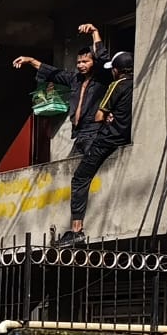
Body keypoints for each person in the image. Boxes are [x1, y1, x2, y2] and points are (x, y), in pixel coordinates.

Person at [62, 51, 135, 247]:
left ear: (117, 70)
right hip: (124, 136)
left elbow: (99, 116)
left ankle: (76, 229)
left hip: (107, 139)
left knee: (80, 177)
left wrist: (108, 115)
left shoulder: (116, 85)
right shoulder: (136, 84)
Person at [12, 23, 108, 158]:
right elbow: (55, 74)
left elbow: (103, 59)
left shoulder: (101, 78)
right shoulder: (76, 79)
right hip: (80, 133)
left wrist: (95, 33)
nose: (81, 65)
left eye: (85, 62)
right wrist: (31, 61)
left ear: (93, 62)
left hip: (95, 131)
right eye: (79, 62)